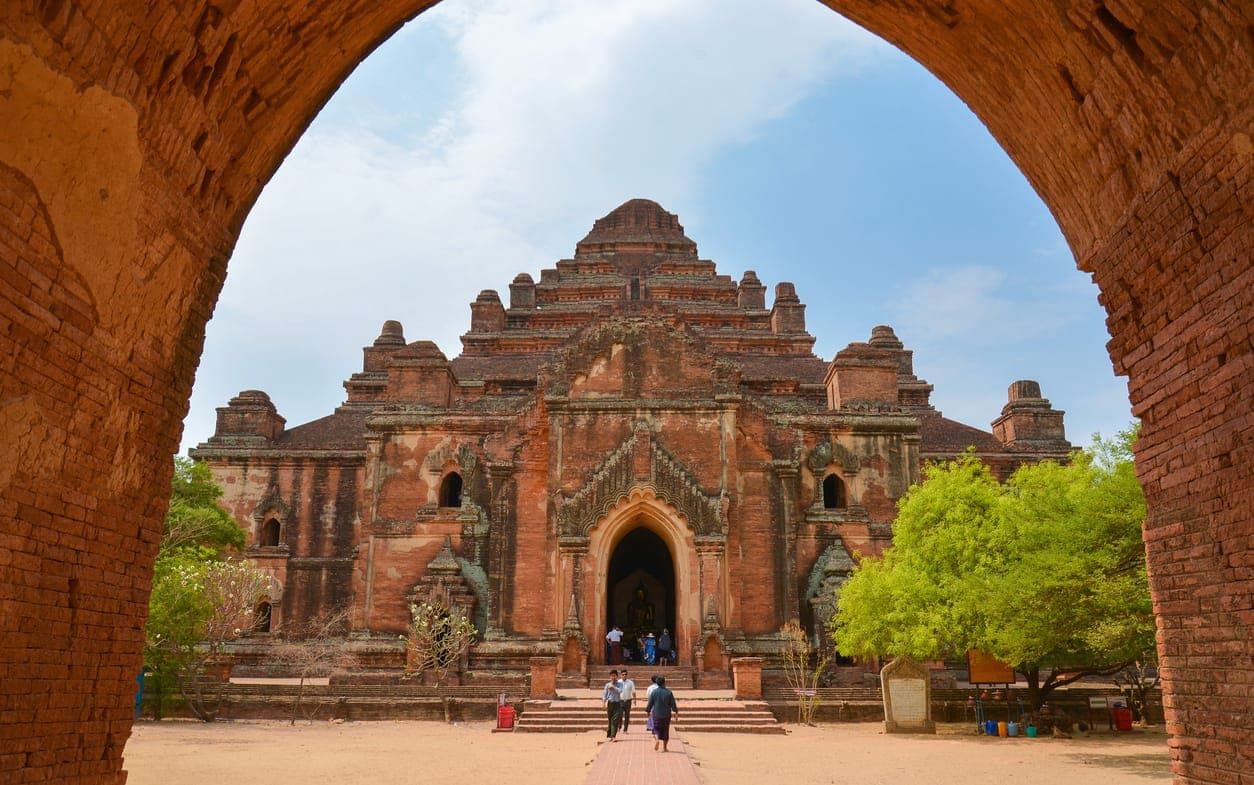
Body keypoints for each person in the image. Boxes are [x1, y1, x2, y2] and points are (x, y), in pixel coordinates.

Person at [645, 675, 679, 752]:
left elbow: (650, 703)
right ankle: (665, 748)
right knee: (665, 730)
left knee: (656, 729)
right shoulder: (669, 692)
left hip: (656, 714)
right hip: (666, 715)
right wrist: (676, 712)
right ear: (664, 683)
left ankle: (657, 740)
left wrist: (648, 711)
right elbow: (673, 704)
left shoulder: (654, 692)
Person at [602, 669, 623, 741]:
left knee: (615, 720)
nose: (613, 677)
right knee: (610, 719)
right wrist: (603, 703)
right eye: (612, 676)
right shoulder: (607, 685)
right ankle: (610, 735)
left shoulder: (620, 684)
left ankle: (613, 736)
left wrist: (613, 687)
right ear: (610, 677)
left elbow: (620, 691)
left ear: (617, 676)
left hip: (617, 703)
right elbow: (605, 694)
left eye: (614, 676)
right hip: (610, 703)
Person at [618, 669, 637, 733]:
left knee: (627, 716)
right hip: (620, 701)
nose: (624, 676)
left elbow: (633, 692)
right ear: (621, 675)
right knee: (620, 715)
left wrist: (635, 699)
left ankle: (625, 729)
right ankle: (619, 727)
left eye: (625, 674)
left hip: (628, 701)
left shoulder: (630, 682)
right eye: (623, 675)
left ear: (627, 675)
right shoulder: (618, 682)